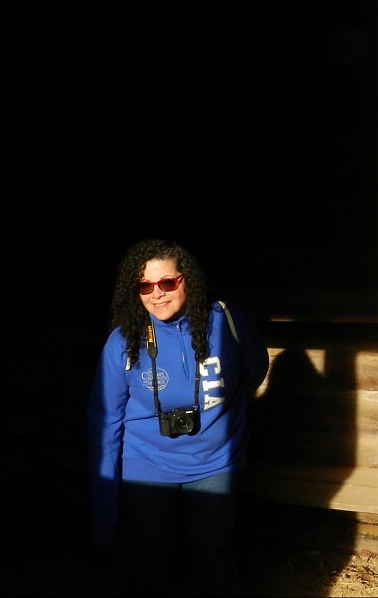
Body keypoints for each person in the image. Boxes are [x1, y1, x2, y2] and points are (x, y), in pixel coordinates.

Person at [87, 238, 269, 596]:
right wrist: (103, 508)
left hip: (215, 464)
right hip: (147, 464)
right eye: (145, 286)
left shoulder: (226, 323)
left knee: (214, 560)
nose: (157, 294)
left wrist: (225, 423)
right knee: (148, 564)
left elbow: (254, 370)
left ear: (187, 280)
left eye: (167, 282)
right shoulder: (124, 340)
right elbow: (104, 421)